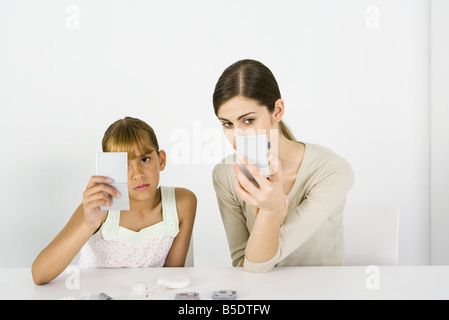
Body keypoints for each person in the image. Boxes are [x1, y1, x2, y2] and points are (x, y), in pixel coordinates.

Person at [212, 59, 354, 273]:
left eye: (248, 120)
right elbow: (244, 261)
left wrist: (273, 209)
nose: (237, 136)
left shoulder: (332, 171)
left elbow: (258, 264)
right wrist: (272, 209)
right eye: (227, 124)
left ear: (277, 111)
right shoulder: (224, 174)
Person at [32, 117, 196, 285]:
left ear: (161, 160)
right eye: (124, 165)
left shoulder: (182, 203)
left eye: (144, 160)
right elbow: (39, 274)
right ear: (110, 169)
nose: (137, 174)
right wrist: (88, 224)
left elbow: (172, 278)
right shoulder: (97, 207)